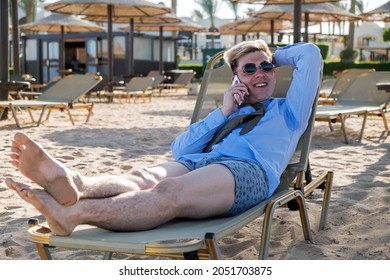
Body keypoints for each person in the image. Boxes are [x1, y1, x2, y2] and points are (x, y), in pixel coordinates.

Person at [4, 40, 322, 236]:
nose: (260, 73)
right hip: (200, 162)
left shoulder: (290, 111)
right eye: (249, 69)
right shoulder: (229, 111)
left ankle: (74, 213)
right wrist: (224, 112)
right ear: (236, 78)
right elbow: (179, 149)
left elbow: (309, 53)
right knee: (143, 176)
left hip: (248, 170)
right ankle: (79, 185)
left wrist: (268, 55)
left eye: (265, 67)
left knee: (169, 191)